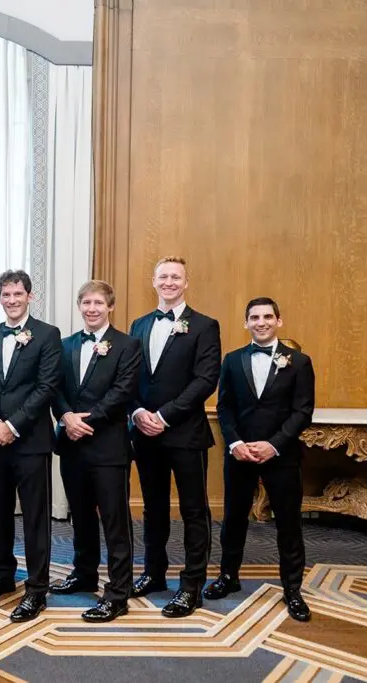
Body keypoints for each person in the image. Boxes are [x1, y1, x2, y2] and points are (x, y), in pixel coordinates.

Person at [204, 297, 314, 622]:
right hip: (240, 454)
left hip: (281, 455)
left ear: (279, 321)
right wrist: (235, 443)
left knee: (288, 524)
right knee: (233, 520)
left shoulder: (299, 362)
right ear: (246, 323)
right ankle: (228, 576)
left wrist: (273, 445)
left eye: (267, 316)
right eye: (254, 317)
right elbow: (224, 407)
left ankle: (292, 589)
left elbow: (303, 411)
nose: (261, 322)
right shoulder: (232, 360)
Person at [128, 256, 221, 618]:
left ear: (186, 283)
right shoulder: (138, 325)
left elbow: (205, 380)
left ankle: (191, 586)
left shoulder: (204, 326)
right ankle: (154, 573)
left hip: (185, 434)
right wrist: (138, 413)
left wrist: (164, 416)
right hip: (144, 434)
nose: (169, 282)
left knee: (193, 510)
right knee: (153, 508)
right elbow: (128, 377)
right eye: (163, 276)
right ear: (153, 281)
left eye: (175, 277)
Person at [0, 270, 62, 622]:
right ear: (0, 297)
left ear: (29, 296)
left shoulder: (47, 334)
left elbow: (46, 386)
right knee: (0, 513)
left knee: (36, 517)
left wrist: (12, 425)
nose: (12, 300)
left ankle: (36, 589)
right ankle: (3, 576)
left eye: (17, 294)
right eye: (6, 295)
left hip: (31, 442)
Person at [49, 280, 142, 623]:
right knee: (81, 515)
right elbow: (54, 388)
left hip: (108, 446)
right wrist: (65, 417)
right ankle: (84, 573)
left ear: (110, 307)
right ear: (79, 306)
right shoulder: (65, 345)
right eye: (86, 303)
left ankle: (118, 593)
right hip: (72, 445)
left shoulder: (128, 345)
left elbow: (123, 391)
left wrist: (85, 421)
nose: (92, 309)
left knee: (115, 522)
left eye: (98, 303)